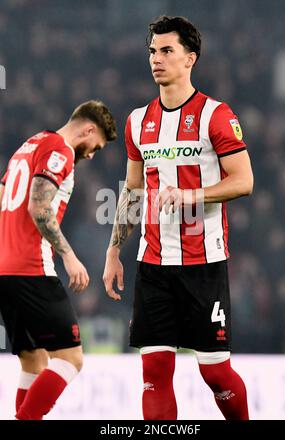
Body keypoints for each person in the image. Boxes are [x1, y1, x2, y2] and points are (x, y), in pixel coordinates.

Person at [103, 15, 253, 420]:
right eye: (153, 51)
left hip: (203, 264)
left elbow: (243, 181)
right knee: (153, 372)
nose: (157, 59)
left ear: (190, 58)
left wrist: (191, 194)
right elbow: (133, 190)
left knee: (216, 373)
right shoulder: (138, 121)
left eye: (167, 51)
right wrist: (114, 251)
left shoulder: (215, 116)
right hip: (153, 264)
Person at [0, 100, 117, 420]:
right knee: (70, 359)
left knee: (34, 361)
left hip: (4, 269)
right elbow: (39, 207)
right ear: (88, 129)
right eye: (96, 146)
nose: (92, 154)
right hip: (31, 268)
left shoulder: (30, 144)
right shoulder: (60, 151)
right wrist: (69, 255)